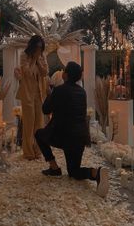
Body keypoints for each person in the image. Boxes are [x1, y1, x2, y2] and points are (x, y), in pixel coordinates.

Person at [35, 61, 109, 198]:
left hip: (62, 135)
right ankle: (95, 173)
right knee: (74, 172)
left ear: (66, 75)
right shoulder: (82, 92)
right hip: (80, 137)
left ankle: (54, 167)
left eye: (64, 71)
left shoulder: (59, 90)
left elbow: (45, 109)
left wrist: (49, 94)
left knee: (39, 134)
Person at [14, 35, 49, 160]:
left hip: (39, 94)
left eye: (41, 47)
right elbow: (27, 73)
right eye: (37, 47)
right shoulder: (24, 56)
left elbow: (45, 73)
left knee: (39, 124)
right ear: (32, 46)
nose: (39, 50)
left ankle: (38, 150)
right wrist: (33, 59)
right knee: (29, 123)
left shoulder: (42, 57)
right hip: (27, 93)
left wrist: (39, 61)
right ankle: (28, 152)